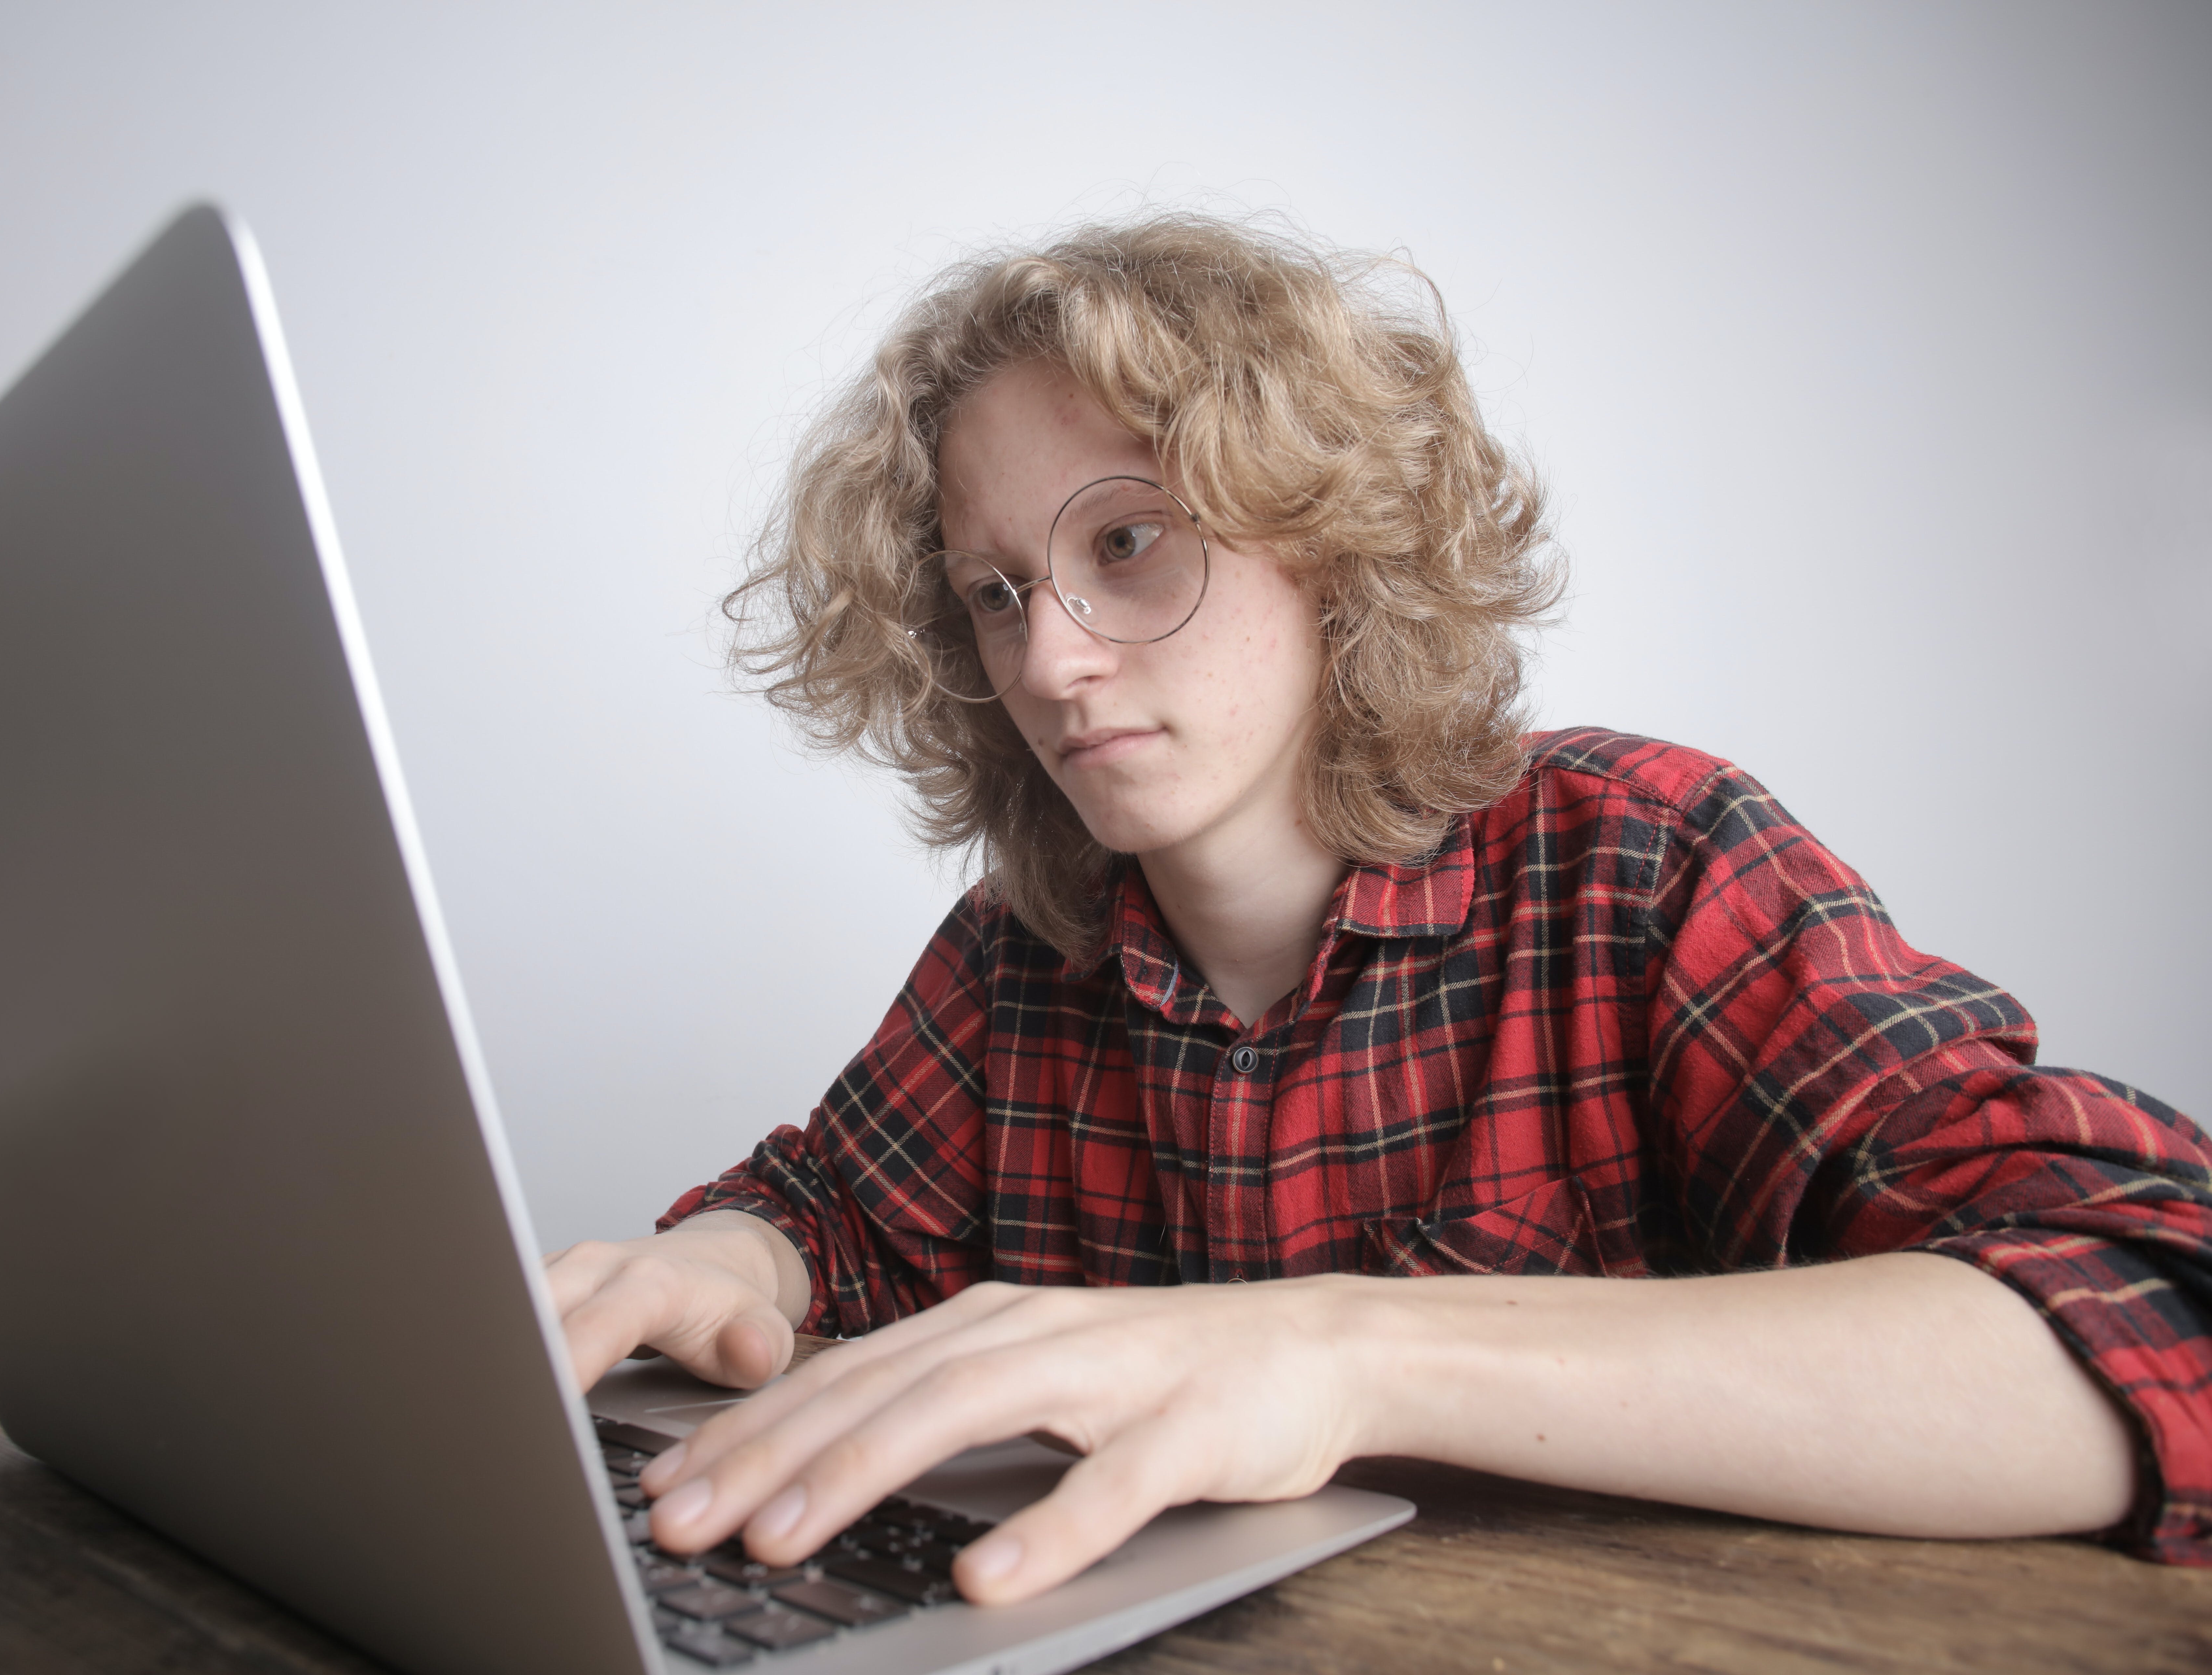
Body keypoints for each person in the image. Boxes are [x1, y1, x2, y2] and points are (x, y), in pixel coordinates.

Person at [544, 214, 2212, 1604]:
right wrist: (725, 1257)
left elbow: (2158, 1302)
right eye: (996, 594)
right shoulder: (1020, 956)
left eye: (1130, 544)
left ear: (1330, 544)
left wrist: (1349, 1353)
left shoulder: (1647, 861)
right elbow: (831, 1219)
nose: (1049, 660)